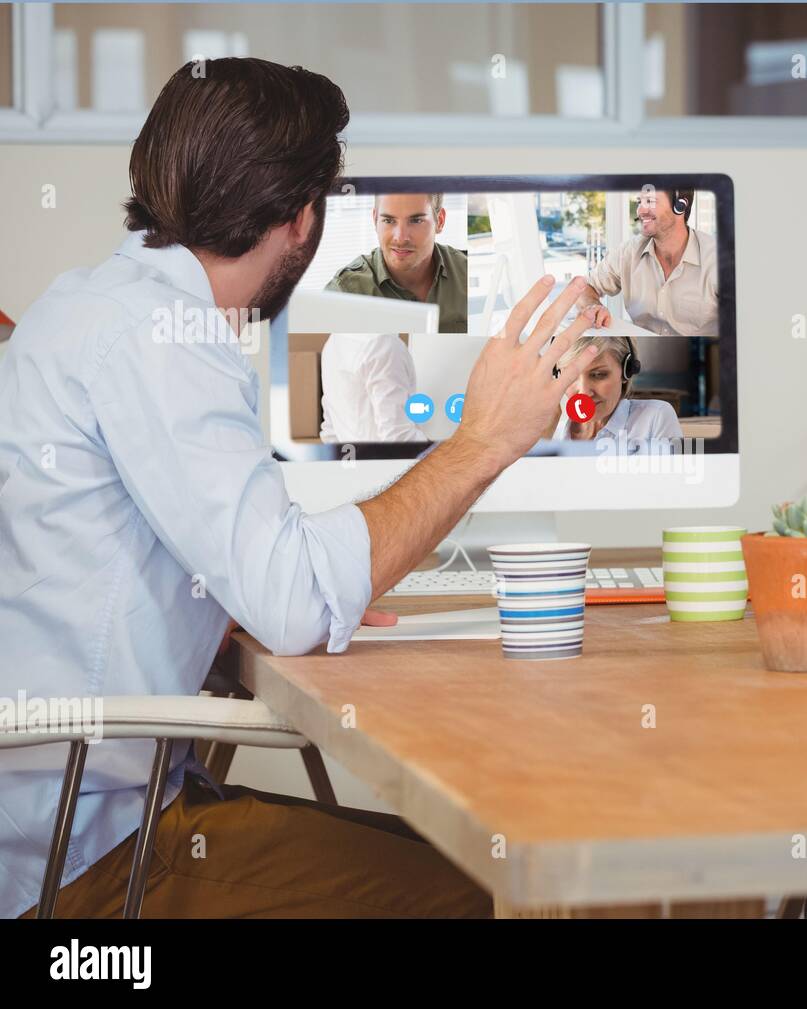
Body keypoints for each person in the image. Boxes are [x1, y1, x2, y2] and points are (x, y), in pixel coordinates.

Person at [0, 57, 599, 918]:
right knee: (506, 892)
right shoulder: (161, 341)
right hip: (91, 860)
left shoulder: (94, 304)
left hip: (72, 816)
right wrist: (483, 441)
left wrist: (213, 593)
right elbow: (296, 602)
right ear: (304, 217)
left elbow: (138, 542)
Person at [577, 188, 719, 337]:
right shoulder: (629, 252)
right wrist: (593, 306)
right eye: (640, 202)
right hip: (642, 355)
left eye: (650, 201)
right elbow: (585, 287)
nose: (640, 210)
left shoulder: (718, 259)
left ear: (680, 206)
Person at [327, 193, 469, 332]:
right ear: (375, 220)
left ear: (440, 220)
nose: (400, 238)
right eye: (388, 221)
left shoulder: (466, 269)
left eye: (416, 220)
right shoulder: (344, 293)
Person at [551, 335, 683, 454]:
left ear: (626, 370)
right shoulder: (552, 434)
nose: (584, 392)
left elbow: (670, 480)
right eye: (571, 376)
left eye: (598, 375)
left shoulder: (655, 418)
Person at [319, 333, 428, 443]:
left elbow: (330, 431)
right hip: (385, 458)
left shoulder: (332, 343)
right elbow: (397, 439)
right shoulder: (383, 345)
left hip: (353, 457)